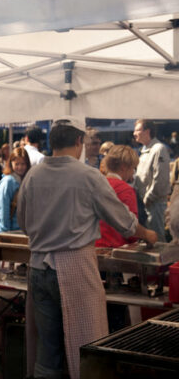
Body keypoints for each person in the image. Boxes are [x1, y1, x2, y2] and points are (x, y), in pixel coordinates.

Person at [17, 115, 157, 379]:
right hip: (74, 268)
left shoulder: (33, 176)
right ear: (79, 141)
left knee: (48, 352)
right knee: (86, 347)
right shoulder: (88, 176)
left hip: (37, 267)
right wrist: (147, 233)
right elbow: (123, 221)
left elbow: (23, 223)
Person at [95, 145, 139, 248]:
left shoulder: (96, 184)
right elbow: (132, 231)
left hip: (93, 246)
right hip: (116, 248)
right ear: (124, 167)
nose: (133, 173)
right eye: (133, 168)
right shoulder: (126, 190)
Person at [133, 119, 170, 241]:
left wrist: (148, 198)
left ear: (147, 131)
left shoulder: (158, 149)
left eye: (137, 130)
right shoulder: (145, 151)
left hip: (154, 204)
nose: (134, 133)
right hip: (145, 204)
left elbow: (160, 178)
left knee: (157, 241)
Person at [0, 147, 30, 233]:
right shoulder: (8, 182)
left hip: (26, 231)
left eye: (23, 164)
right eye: (17, 164)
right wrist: (4, 234)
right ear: (11, 163)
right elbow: (3, 210)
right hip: (12, 231)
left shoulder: (27, 180)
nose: (20, 167)